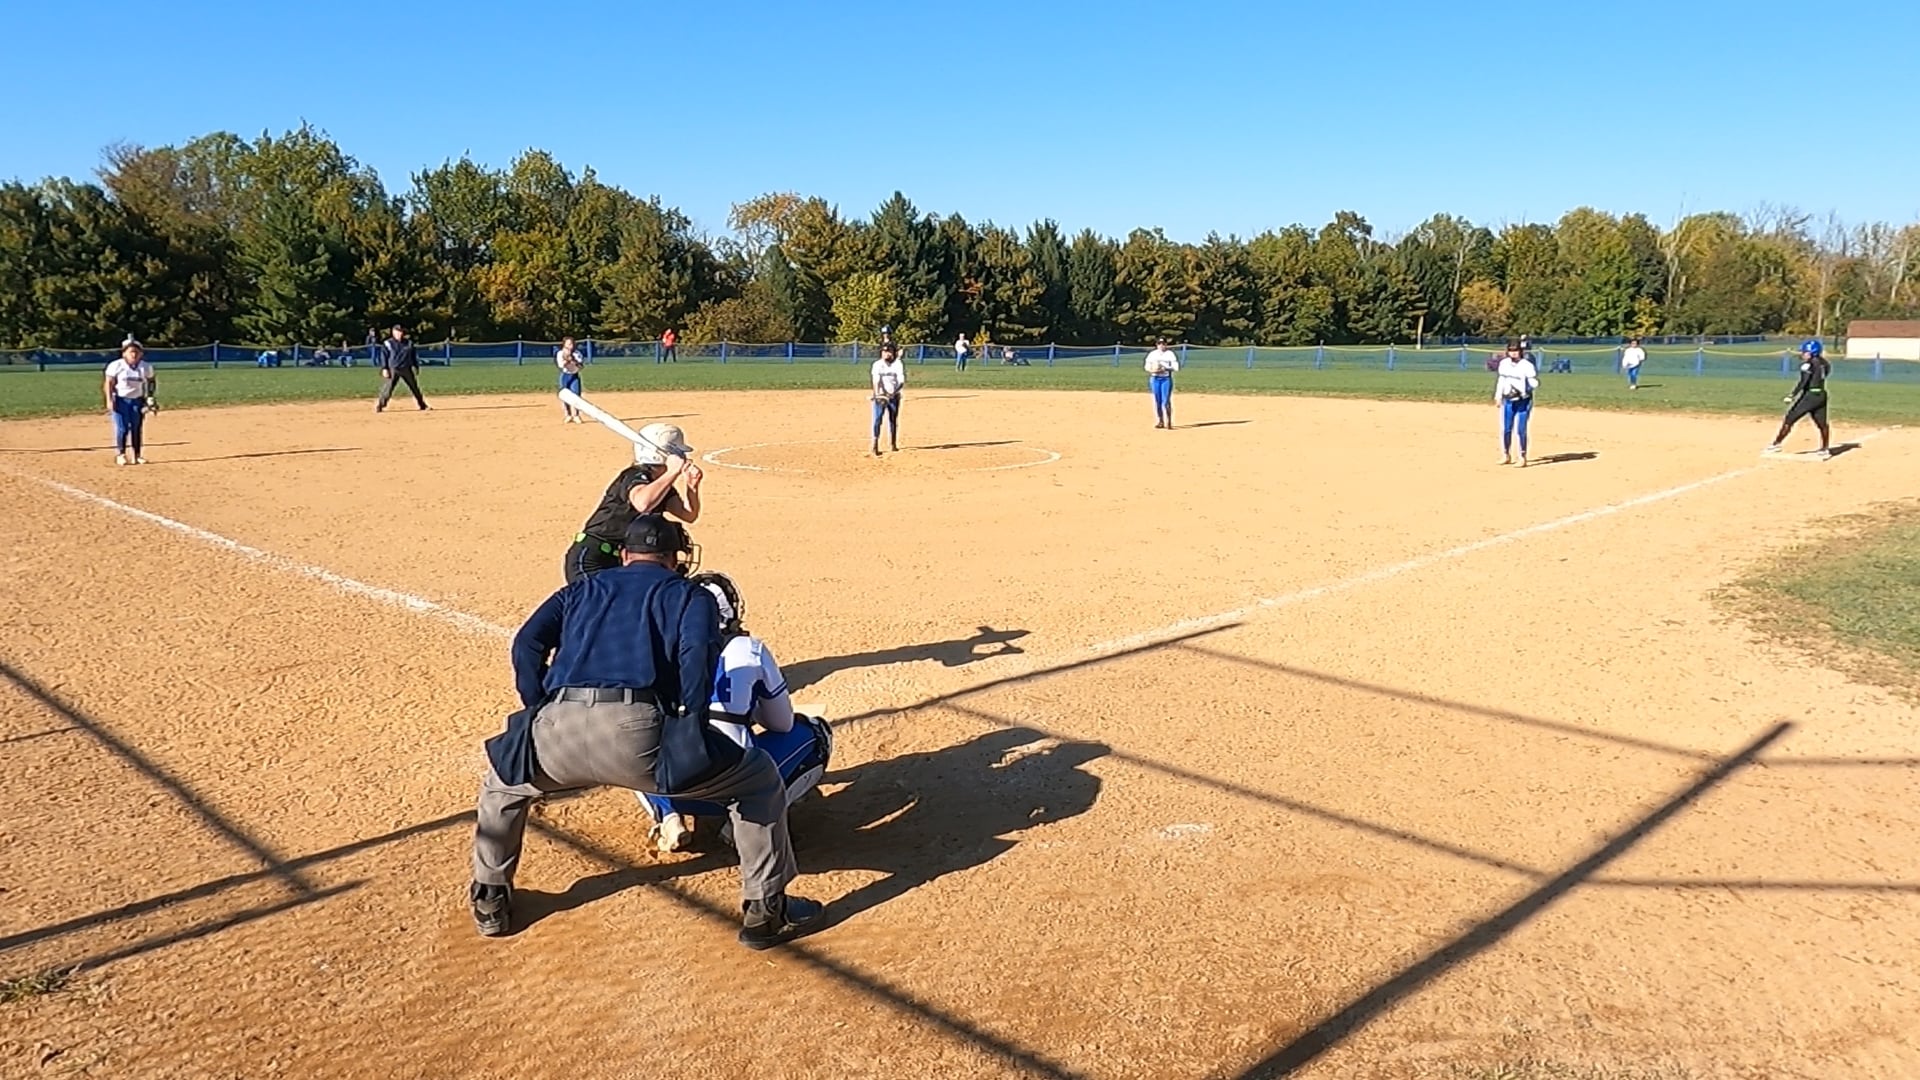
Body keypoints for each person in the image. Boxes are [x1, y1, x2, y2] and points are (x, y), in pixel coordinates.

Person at [469, 515, 820, 948]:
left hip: (557, 726)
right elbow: (696, 655)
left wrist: (536, 703)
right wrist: (687, 719)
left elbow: (527, 642)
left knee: (501, 786)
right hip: (637, 732)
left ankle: (490, 899)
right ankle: (766, 911)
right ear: (675, 559)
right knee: (758, 781)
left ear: (624, 554)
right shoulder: (689, 595)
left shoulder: (580, 589)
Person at [637, 572, 834, 853]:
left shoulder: (653, 648)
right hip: (732, 782)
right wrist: (745, 710)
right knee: (815, 733)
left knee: (632, 743)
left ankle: (668, 817)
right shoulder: (748, 649)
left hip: (671, 783)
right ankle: (744, 821)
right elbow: (781, 723)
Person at [563, 423, 702, 582]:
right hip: (594, 558)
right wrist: (672, 472)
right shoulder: (634, 475)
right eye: (679, 454)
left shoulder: (661, 485)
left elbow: (688, 514)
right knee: (593, 597)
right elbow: (643, 503)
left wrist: (692, 487)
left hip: (623, 559)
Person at [1765, 340, 1833, 458]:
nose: (1802, 354)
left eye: (1805, 352)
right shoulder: (1825, 363)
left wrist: (1792, 395)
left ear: (1812, 352)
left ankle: (1776, 444)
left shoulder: (1808, 365)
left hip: (1810, 396)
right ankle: (1825, 448)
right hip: (1821, 394)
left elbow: (1803, 382)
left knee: (1790, 419)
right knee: (1822, 424)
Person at [102, 340, 157, 466]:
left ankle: (137, 455)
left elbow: (151, 382)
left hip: (137, 400)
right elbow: (109, 383)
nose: (134, 355)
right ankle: (121, 454)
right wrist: (109, 400)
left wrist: (150, 397)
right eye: (131, 352)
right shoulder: (116, 365)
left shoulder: (145, 367)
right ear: (124, 353)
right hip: (120, 400)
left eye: (137, 352)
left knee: (137, 428)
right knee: (123, 428)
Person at [1494, 340, 1539, 466]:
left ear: (1521, 352)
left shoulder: (1526, 365)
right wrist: (1498, 396)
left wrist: (1530, 387)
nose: (1513, 353)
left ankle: (1522, 457)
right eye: (1511, 351)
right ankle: (1506, 455)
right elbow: (1501, 380)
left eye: (1516, 351)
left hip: (1523, 401)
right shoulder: (1504, 364)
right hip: (1508, 399)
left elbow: (1533, 382)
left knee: (1521, 429)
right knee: (1506, 429)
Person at [376, 324, 429, 412]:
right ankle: (380, 405)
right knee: (388, 388)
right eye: (397, 331)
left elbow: (413, 356)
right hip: (393, 368)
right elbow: (384, 356)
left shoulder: (408, 343)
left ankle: (422, 405)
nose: (399, 333)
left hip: (406, 368)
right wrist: (385, 368)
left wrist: (416, 366)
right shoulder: (388, 343)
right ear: (393, 332)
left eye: (400, 332)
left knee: (414, 388)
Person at [870, 343, 906, 455]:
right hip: (881, 396)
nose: (886, 354)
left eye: (889, 351)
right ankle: (875, 444)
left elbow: (901, 381)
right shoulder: (877, 364)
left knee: (893, 420)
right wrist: (878, 394)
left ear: (893, 353)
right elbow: (876, 381)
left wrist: (893, 393)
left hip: (894, 396)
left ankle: (893, 444)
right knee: (877, 419)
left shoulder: (898, 364)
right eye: (884, 351)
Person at [1145, 337, 1180, 429]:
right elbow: (1147, 366)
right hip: (1155, 379)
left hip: (1166, 379)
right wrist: (1153, 370)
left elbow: (1176, 367)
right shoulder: (1152, 354)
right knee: (1158, 401)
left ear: (1166, 345)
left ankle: (1169, 422)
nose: (1161, 345)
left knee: (1166, 401)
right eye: (1159, 343)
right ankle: (1160, 421)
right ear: (1156, 345)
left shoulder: (1170, 354)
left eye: (1163, 343)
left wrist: (1165, 368)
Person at [556, 337, 585, 423]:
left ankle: (576, 415)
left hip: (574, 375)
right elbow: (561, 365)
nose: (570, 346)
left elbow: (581, 366)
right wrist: (567, 359)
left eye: (572, 344)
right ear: (564, 344)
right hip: (565, 375)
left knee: (576, 395)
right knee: (565, 396)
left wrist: (573, 359)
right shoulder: (560, 353)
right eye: (568, 344)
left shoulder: (577, 353)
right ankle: (568, 415)